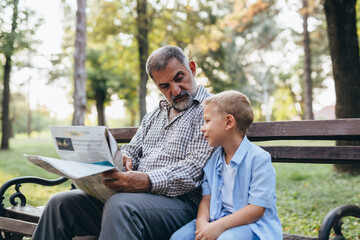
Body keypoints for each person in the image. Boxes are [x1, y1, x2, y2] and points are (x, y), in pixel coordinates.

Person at [32, 45, 214, 240]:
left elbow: (194, 170)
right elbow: (133, 149)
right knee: (60, 203)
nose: (175, 90)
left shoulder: (211, 111)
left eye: (179, 78)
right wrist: (123, 158)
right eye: (165, 86)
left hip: (181, 206)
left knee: (121, 206)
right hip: (132, 199)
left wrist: (146, 181)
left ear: (192, 69)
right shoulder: (156, 113)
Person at [170, 90, 283, 240]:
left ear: (228, 122)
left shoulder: (259, 159)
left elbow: (256, 209)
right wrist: (202, 223)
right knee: (179, 238)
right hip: (217, 218)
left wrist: (219, 226)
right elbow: (207, 199)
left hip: (253, 226)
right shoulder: (213, 160)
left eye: (207, 121)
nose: (202, 128)